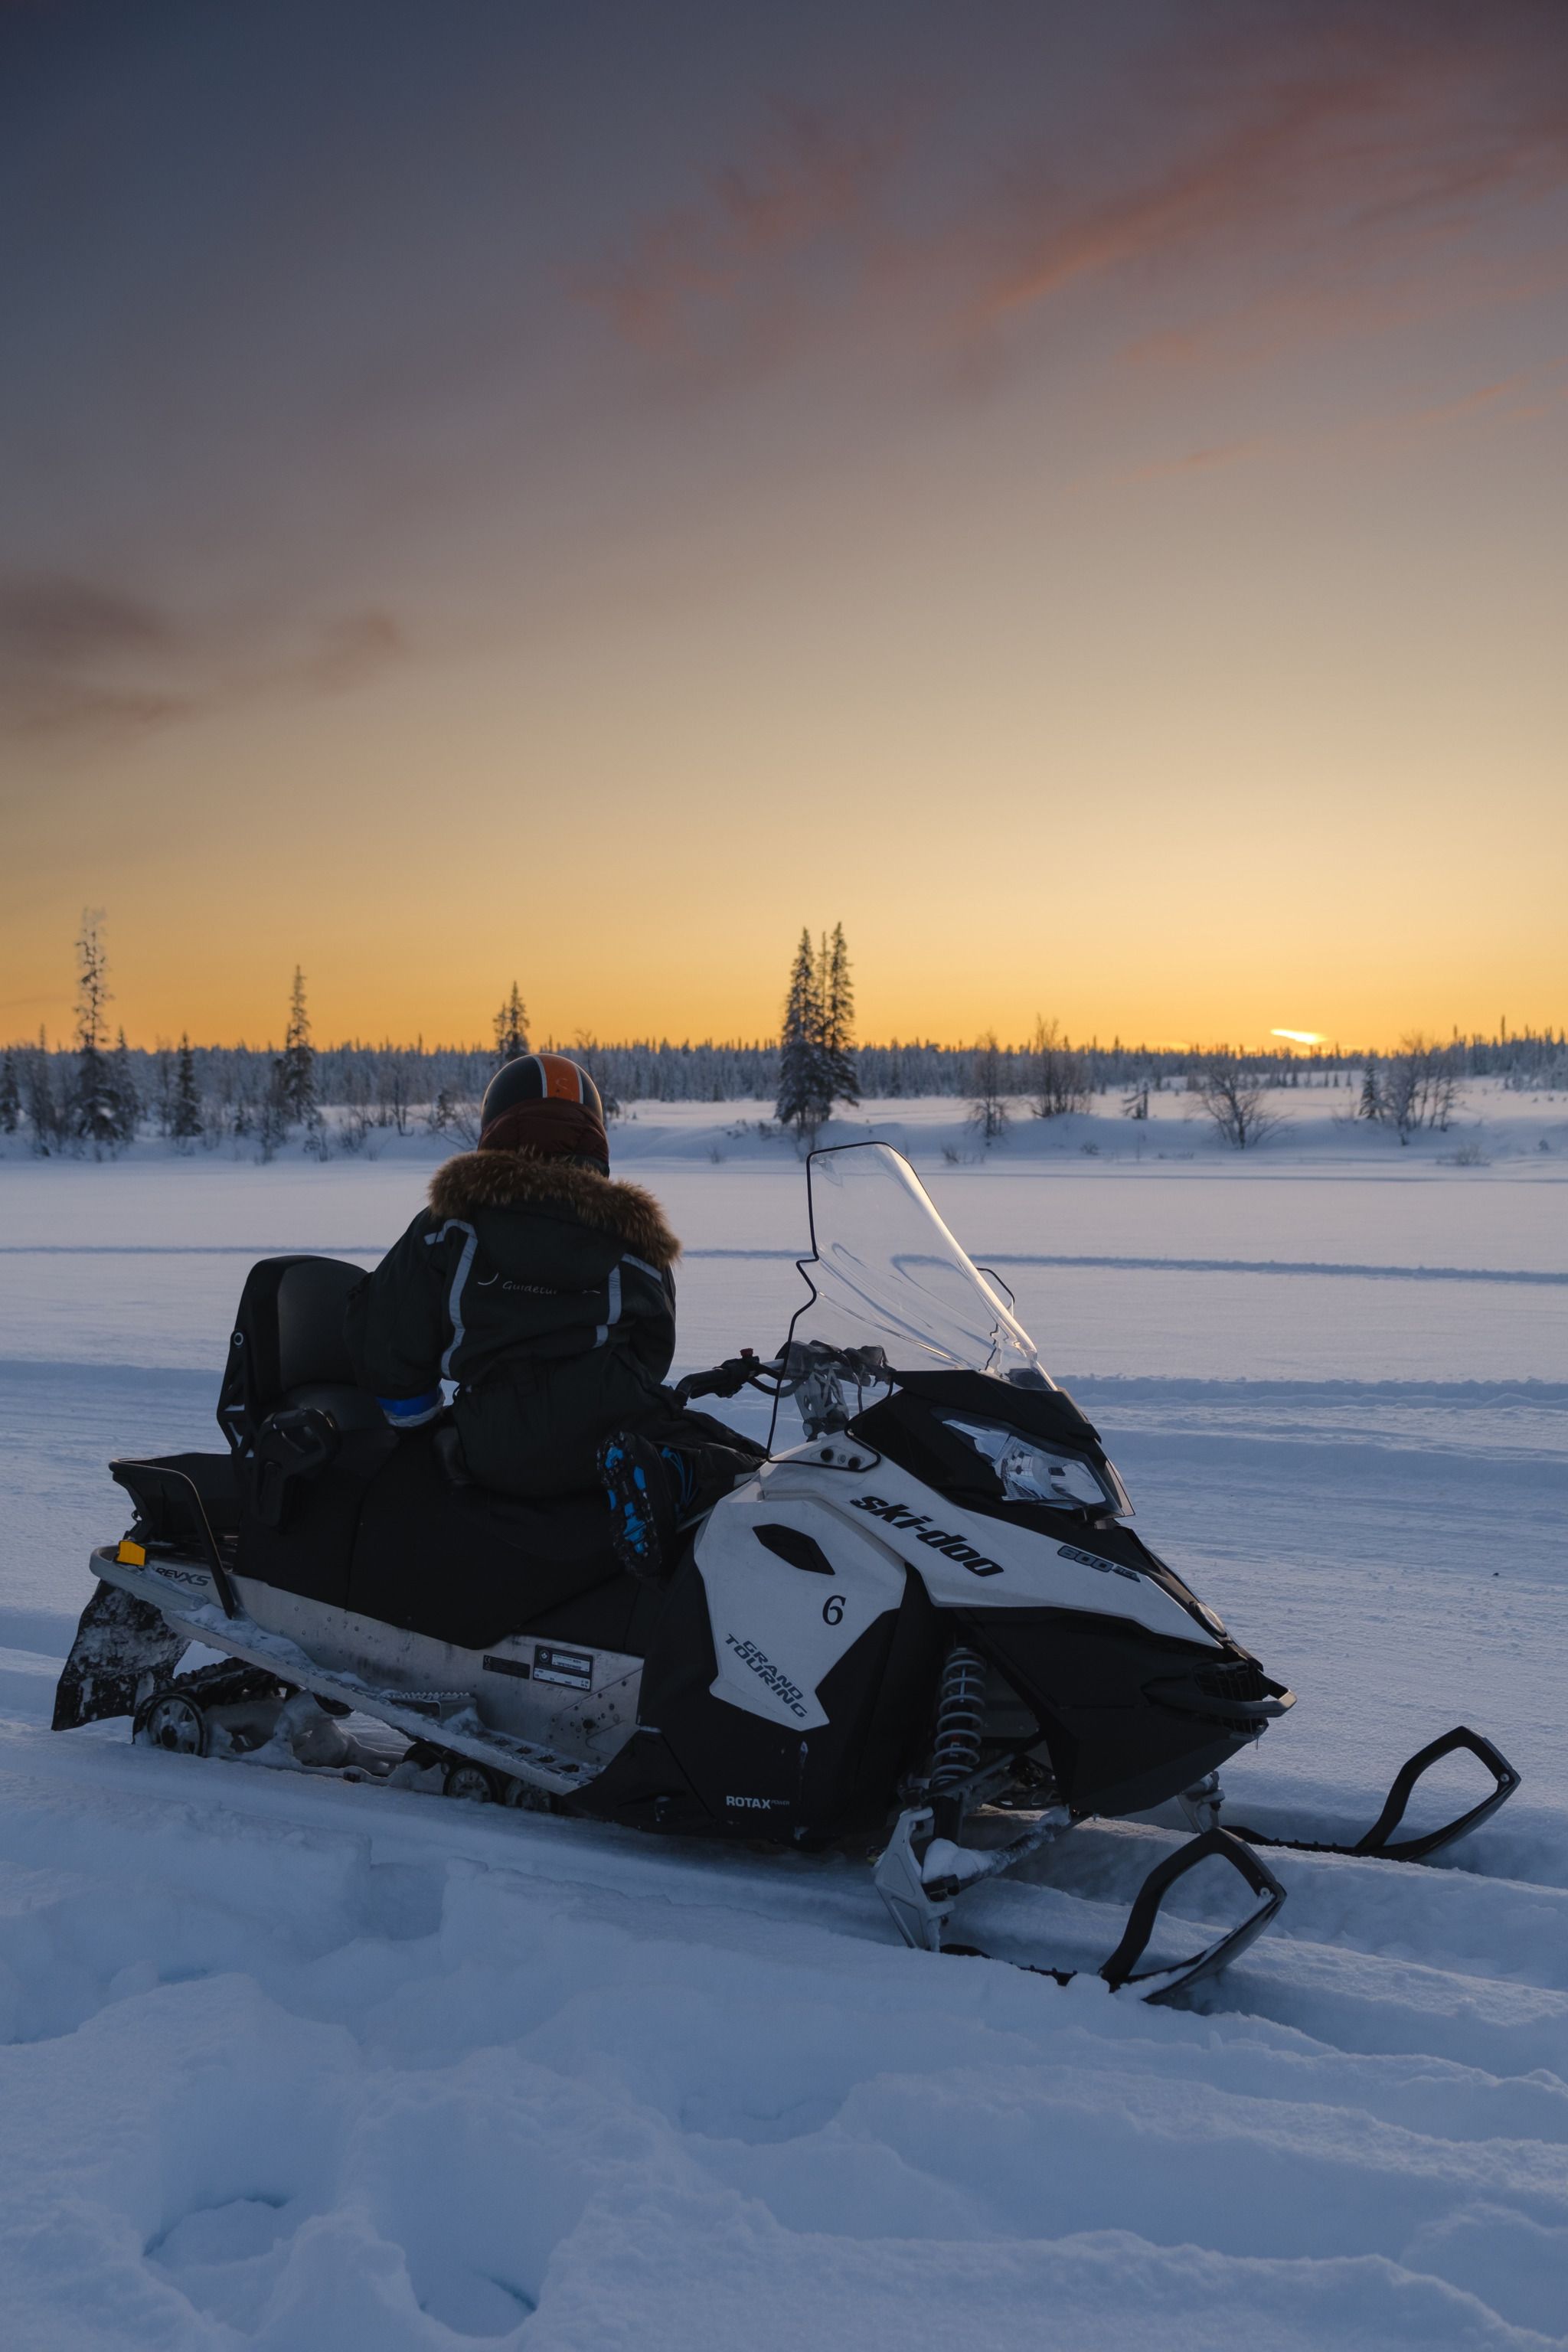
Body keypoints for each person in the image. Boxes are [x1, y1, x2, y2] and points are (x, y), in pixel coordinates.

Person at [344, 1052, 754, 1573]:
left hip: (495, 1447)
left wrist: (418, 1424)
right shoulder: (634, 1238)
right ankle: (675, 1476)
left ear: (495, 1128)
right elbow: (654, 1350)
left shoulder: (449, 1226)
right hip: (611, 1431)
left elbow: (389, 1335)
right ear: (595, 1139)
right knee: (738, 1459)